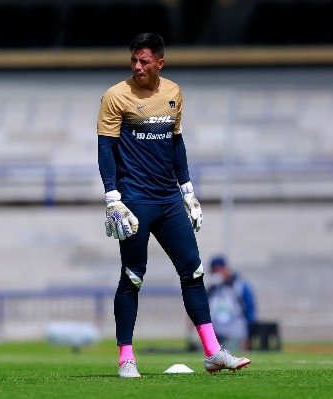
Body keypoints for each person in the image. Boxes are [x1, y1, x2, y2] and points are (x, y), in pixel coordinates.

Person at [97, 32, 250, 378]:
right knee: (133, 276)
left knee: (193, 272)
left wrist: (188, 191)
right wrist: (111, 198)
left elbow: (176, 143)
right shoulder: (115, 96)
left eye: (144, 61)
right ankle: (126, 359)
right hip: (134, 199)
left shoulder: (173, 93)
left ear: (159, 63)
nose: (137, 66)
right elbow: (105, 149)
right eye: (133, 59)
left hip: (168, 199)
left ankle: (212, 352)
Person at [207, 256, 256, 351]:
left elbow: (250, 307)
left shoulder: (239, 285)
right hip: (216, 334)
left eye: (217, 271)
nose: (216, 274)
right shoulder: (212, 288)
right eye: (213, 272)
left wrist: (249, 334)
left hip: (235, 333)